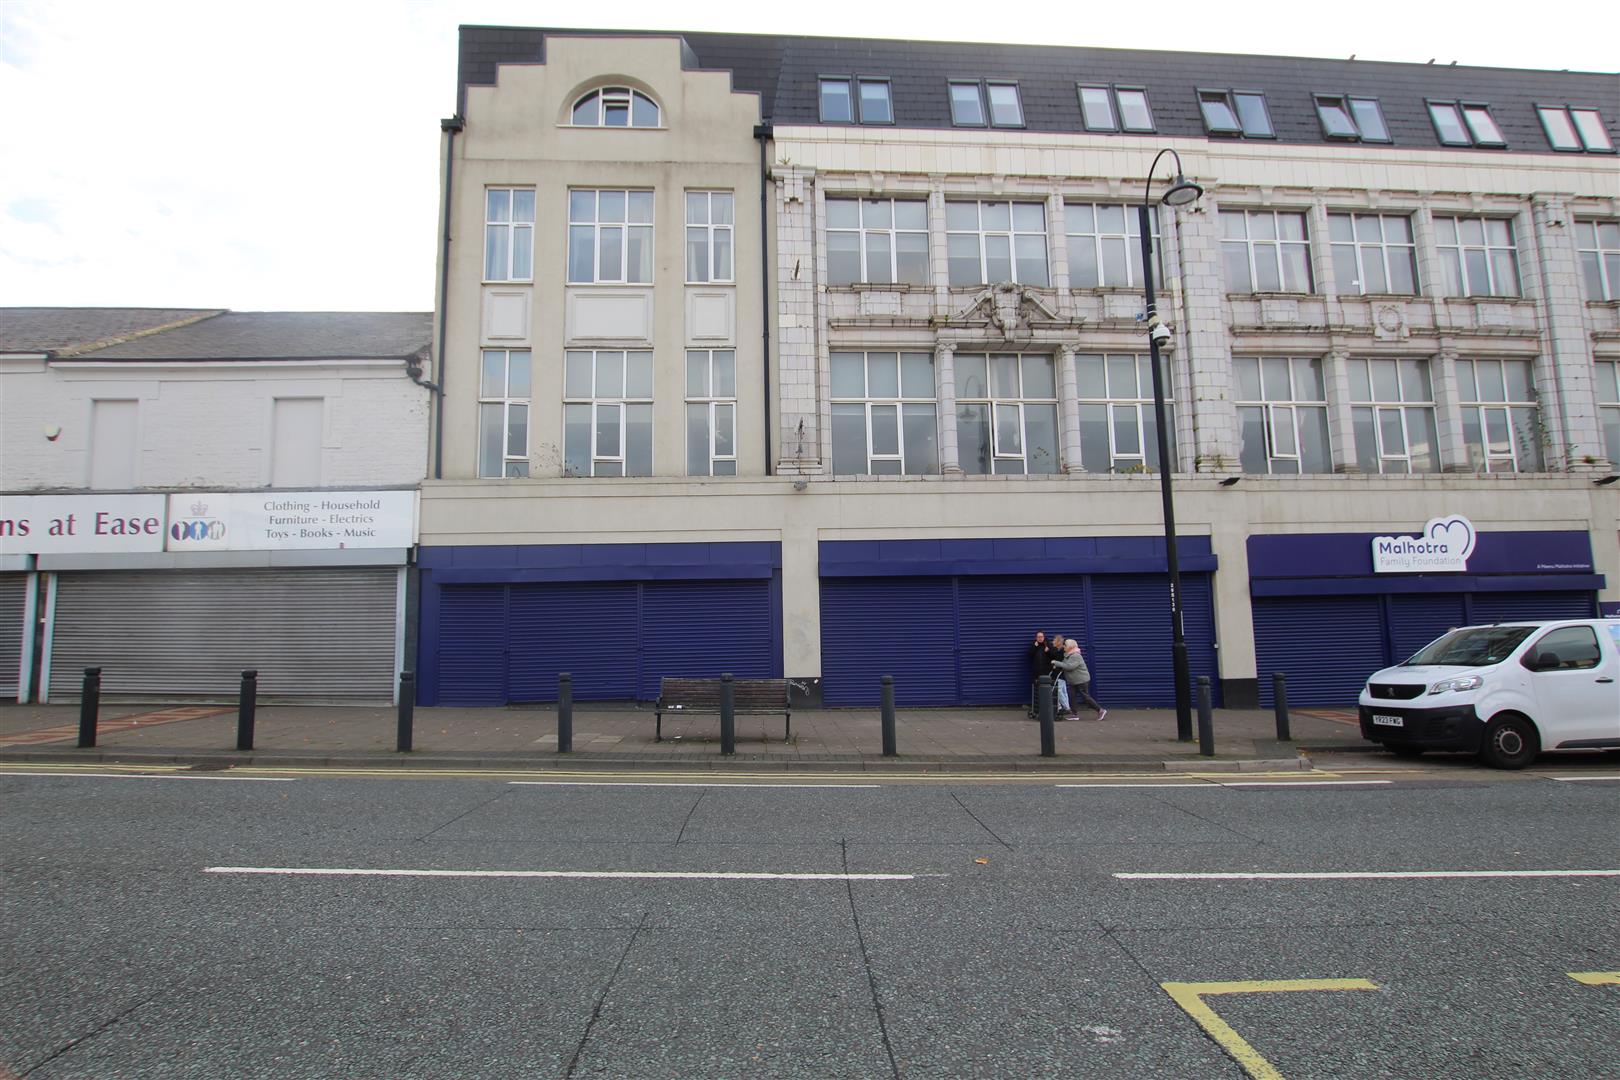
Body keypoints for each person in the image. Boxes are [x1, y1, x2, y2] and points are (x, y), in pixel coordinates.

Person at [1052, 638, 1107, 721]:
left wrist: (1056, 663)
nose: (1064, 646)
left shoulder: (1076, 656)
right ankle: (1074, 714)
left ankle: (1100, 710)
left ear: (1070, 647)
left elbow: (1069, 667)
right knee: (1072, 697)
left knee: (1085, 697)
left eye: (1065, 645)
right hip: (1073, 681)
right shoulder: (1067, 655)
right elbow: (1064, 664)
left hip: (1081, 680)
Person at [1026, 631, 1050, 718]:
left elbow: (1053, 655)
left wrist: (1048, 651)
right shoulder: (1034, 645)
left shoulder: (1048, 645)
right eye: (1038, 637)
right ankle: (1037, 708)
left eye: (1041, 637)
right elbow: (1029, 654)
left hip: (1046, 672)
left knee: (1047, 690)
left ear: (1044, 637)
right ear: (1036, 638)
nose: (1040, 638)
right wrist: (1034, 647)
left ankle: (1047, 707)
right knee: (1037, 690)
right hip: (1036, 672)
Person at [1048, 634, 1069, 714]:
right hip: (1061, 674)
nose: (1053, 642)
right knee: (1063, 691)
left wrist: (1055, 665)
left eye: (1054, 640)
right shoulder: (1060, 651)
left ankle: (1065, 707)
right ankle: (1066, 707)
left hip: (1059, 674)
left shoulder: (1061, 652)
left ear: (1058, 642)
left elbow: (1060, 662)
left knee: (1059, 691)